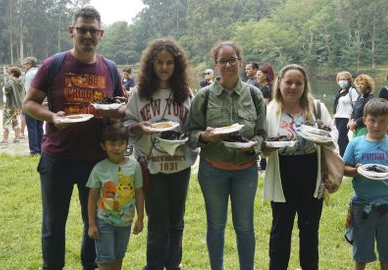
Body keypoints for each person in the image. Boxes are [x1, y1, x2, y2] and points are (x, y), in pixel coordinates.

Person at [22, 6, 125, 270]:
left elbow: (120, 105)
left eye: (93, 31)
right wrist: (52, 117)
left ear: (100, 35)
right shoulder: (54, 64)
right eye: (82, 29)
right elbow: (30, 103)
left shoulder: (110, 68)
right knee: (53, 223)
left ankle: (89, 266)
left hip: (96, 160)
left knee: (94, 220)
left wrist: (118, 111)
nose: (87, 35)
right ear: (72, 31)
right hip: (58, 157)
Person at [188, 41, 267, 270]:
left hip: (246, 171)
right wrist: (205, 136)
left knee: (245, 226)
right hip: (213, 169)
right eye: (223, 60)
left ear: (240, 62)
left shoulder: (253, 94)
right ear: (216, 64)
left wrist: (253, 146)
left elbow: (262, 134)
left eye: (233, 59)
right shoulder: (203, 96)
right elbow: (191, 133)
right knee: (215, 225)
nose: (228, 64)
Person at [123, 37, 198, 270]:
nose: (164, 67)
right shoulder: (139, 93)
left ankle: (173, 264)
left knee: (176, 220)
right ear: (151, 65)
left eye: (169, 63)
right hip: (151, 164)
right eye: (159, 62)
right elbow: (126, 124)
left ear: (177, 66)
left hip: (180, 164)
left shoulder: (186, 94)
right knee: (157, 220)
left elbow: (194, 127)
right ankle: (153, 265)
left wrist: (188, 136)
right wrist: (140, 127)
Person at [262, 64, 337, 270]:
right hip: (282, 173)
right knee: (280, 230)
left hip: (311, 173)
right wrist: (266, 148)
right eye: (289, 82)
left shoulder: (317, 108)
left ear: (305, 85)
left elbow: (333, 134)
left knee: (310, 230)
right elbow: (262, 143)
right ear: (280, 83)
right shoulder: (269, 110)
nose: (293, 87)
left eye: (298, 83)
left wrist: (323, 136)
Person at [343, 98, 388, 270]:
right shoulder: (355, 144)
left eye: (382, 121)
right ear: (365, 119)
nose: (376, 125)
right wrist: (356, 170)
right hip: (362, 204)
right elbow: (344, 168)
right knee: (361, 251)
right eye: (372, 120)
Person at [86, 122, 144, 270]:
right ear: (103, 146)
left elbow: (138, 193)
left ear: (126, 144)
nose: (117, 148)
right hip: (104, 223)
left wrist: (140, 218)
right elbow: (92, 198)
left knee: (118, 261)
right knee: (105, 263)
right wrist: (92, 224)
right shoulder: (99, 168)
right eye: (112, 144)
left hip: (125, 224)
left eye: (121, 143)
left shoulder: (134, 167)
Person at [333, 71, 359, 156]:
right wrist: (334, 116)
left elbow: (356, 107)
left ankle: (342, 157)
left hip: (346, 118)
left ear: (349, 80)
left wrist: (352, 119)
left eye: (344, 79)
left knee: (340, 139)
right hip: (338, 117)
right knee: (344, 138)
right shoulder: (340, 91)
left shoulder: (352, 91)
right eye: (340, 79)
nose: (342, 81)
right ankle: (349, 155)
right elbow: (337, 106)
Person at [22, 56, 43, 155]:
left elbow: (27, 91)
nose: (24, 66)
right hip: (42, 103)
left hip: (31, 103)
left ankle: (34, 151)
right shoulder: (41, 71)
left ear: (29, 64)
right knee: (39, 127)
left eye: (25, 64)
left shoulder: (29, 74)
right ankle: (41, 149)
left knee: (31, 127)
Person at [2, 66, 24, 143]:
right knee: (16, 121)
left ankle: (5, 139)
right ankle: (17, 138)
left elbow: (6, 93)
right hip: (19, 106)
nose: (8, 75)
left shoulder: (9, 82)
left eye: (9, 73)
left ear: (12, 74)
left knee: (6, 122)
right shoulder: (21, 82)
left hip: (10, 105)